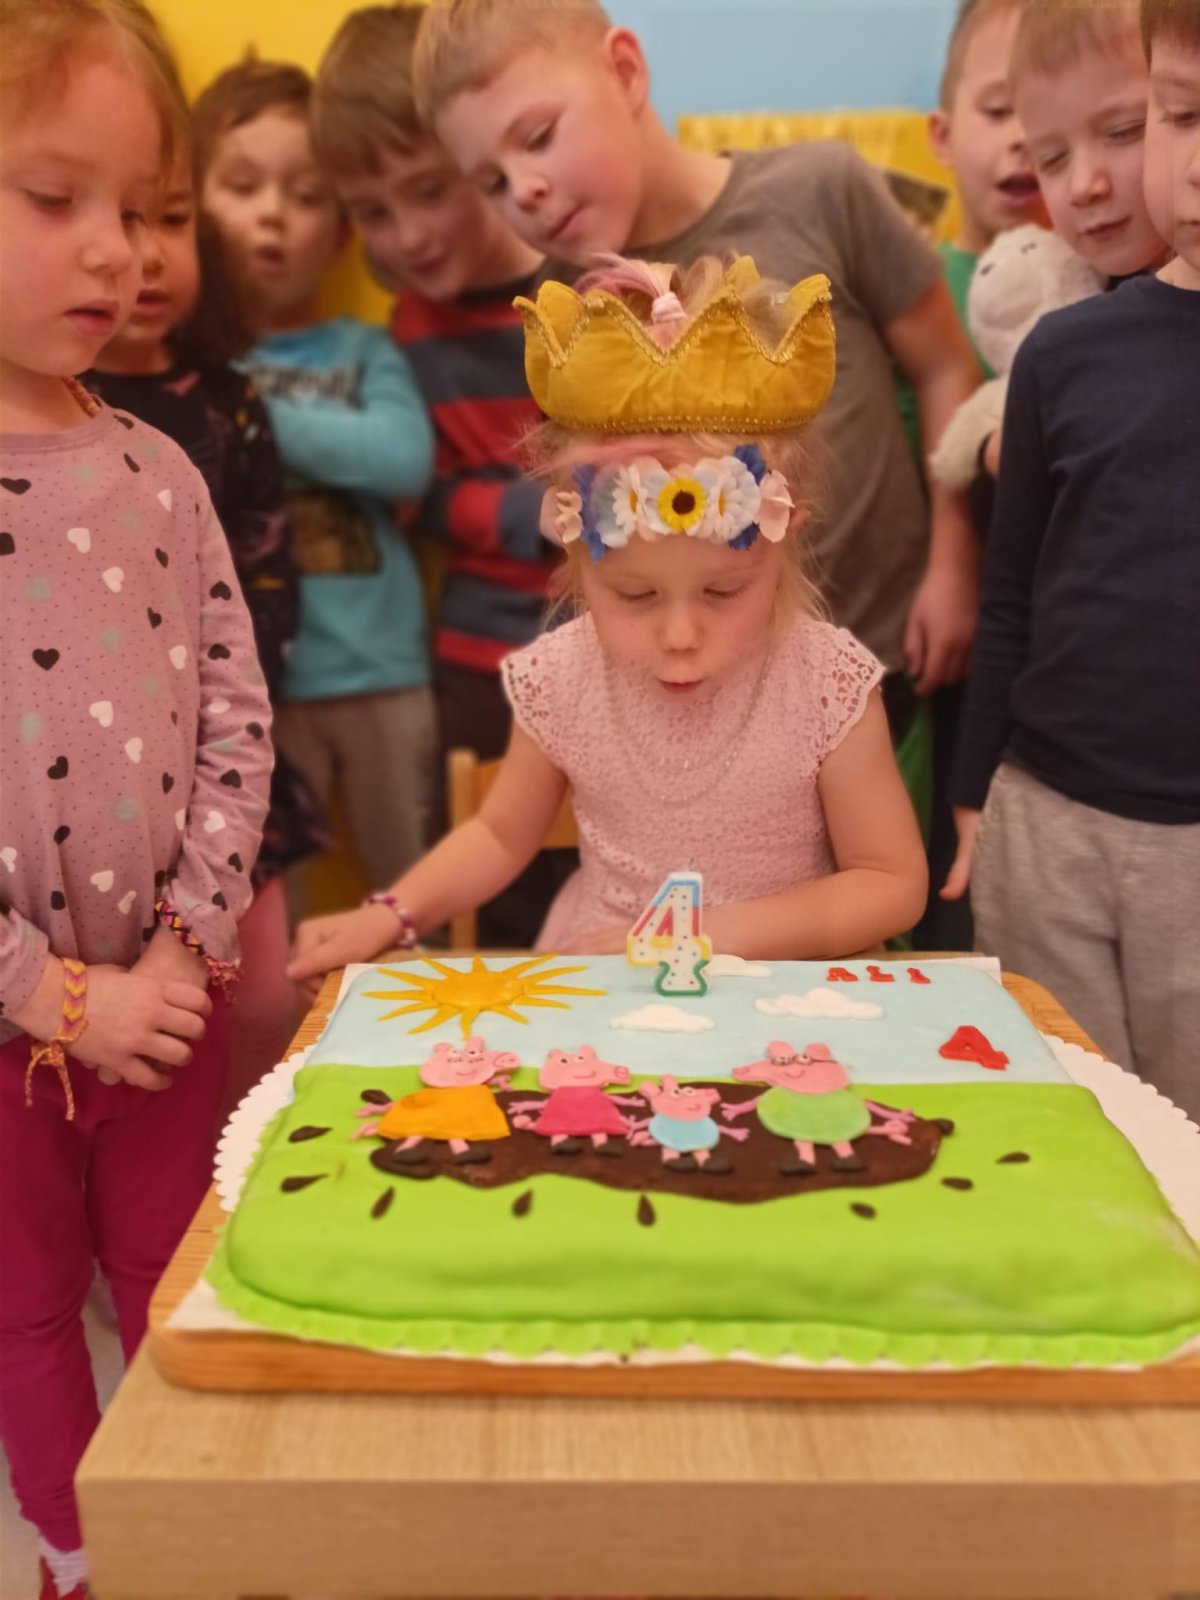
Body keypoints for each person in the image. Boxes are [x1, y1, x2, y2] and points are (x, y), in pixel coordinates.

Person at [286, 256, 928, 990]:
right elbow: (498, 835)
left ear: (782, 540)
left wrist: (696, 938)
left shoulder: (825, 686)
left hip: (784, 996)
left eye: (723, 592)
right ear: (574, 555)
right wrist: (387, 916)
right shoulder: (563, 677)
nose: (680, 635)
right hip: (605, 990)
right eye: (635, 595)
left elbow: (888, 881)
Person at [0, 4, 274, 1595]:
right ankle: (77, 1556)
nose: (117, 251)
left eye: (145, 208)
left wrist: (182, 947)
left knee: (176, 1284)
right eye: (57, 199)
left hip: (169, 1007)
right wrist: (52, 999)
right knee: (28, 1313)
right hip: (9, 1032)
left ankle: (192, 1547)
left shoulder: (162, 472)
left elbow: (237, 716)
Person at [412, 0, 984, 738]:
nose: (523, 190)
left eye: (539, 137)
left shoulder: (821, 189)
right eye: (491, 182)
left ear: (626, 70)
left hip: (887, 656)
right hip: (703, 704)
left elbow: (943, 369)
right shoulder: (563, 308)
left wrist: (954, 566)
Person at [943, 0, 1200, 1118]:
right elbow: (1014, 598)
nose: (1087, 183)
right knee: (1066, 1124)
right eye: (1177, 117)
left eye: (1129, 129)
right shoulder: (1063, 352)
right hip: (1047, 815)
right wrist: (972, 795)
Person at [311, 5, 575, 946]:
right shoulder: (410, 329)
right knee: (487, 916)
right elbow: (418, 496)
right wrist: (522, 513)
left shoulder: (576, 290)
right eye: (373, 212)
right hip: (477, 662)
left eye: (429, 191)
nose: (410, 236)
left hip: (607, 650)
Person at [88, 115, 328, 1111]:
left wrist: (211, 705)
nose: (143, 255)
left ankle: (240, 1154)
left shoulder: (231, 403)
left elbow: (270, 575)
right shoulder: (55, 407)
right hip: (94, 781)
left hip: (227, 757)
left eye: (172, 220)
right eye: (115, 219)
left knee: (263, 1000)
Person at [194, 59, 437, 906]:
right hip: (260, 692)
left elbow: (404, 457)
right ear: (193, 209)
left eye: (305, 195)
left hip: (385, 677)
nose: (272, 213)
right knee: (270, 918)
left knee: (416, 900)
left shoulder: (362, 350)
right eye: (242, 186)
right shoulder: (191, 367)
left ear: (339, 235)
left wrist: (255, 413)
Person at [913, 0, 1038, 949]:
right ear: (943, 136)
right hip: (936, 636)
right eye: (1000, 110)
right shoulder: (923, 290)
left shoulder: (1107, 286)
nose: (1025, 138)